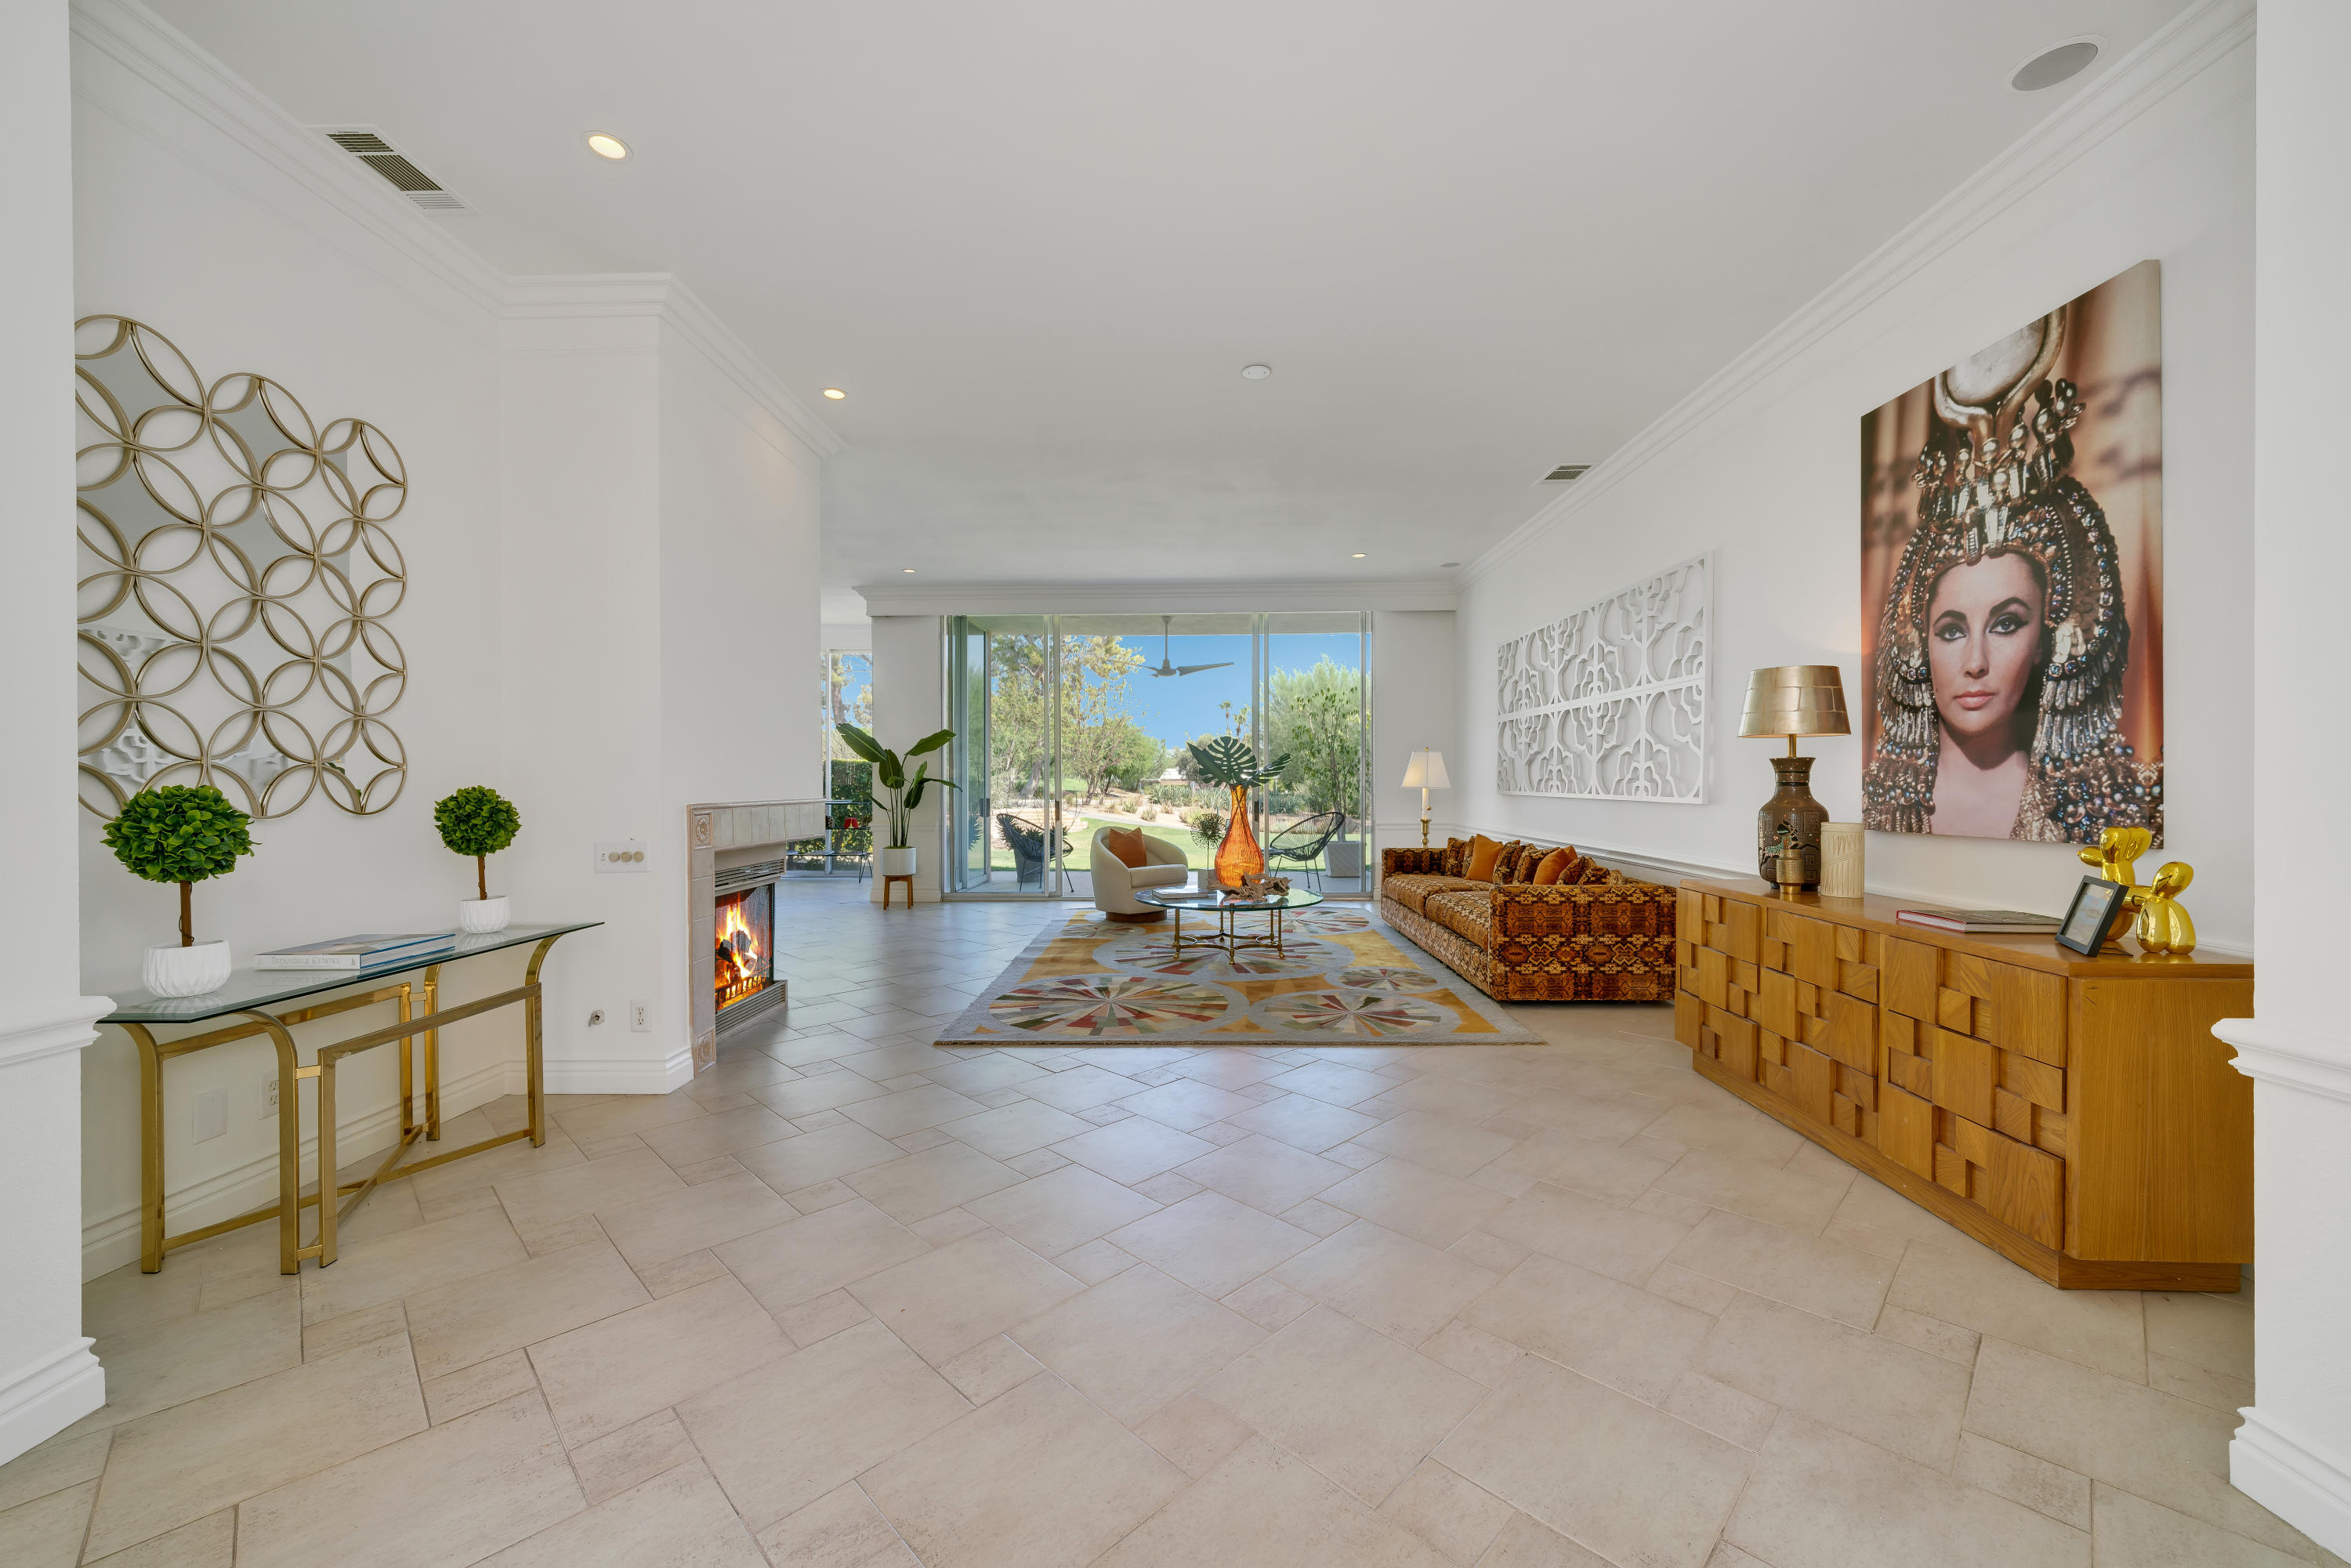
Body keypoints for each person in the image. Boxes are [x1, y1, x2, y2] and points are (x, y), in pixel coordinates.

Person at [1863, 313, 2161, 843]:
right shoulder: (1871, 808)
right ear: (1918, 643)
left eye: (2006, 624)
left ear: (2047, 638)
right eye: (1951, 630)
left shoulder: (2117, 818)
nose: (1975, 662)